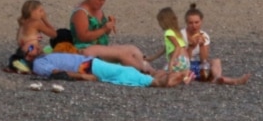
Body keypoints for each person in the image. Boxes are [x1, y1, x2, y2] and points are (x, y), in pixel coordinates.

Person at [69, 0, 155, 75]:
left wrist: (109, 26)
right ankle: (145, 72)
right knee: (123, 54)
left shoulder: (98, 10)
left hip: (101, 46)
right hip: (85, 48)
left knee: (132, 49)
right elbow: (83, 37)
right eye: (100, 0)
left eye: (104, 0)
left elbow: (104, 33)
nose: (102, 3)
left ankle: (151, 70)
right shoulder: (81, 13)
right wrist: (104, 29)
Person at [24, 46, 190, 87]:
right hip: (86, 67)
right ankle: (157, 82)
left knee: (121, 71)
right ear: (27, 57)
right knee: (120, 72)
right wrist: (83, 76)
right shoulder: (39, 64)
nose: (35, 47)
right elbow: (56, 73)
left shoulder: (44, 56)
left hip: (89, 63)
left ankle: (157, 78)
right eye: (30, 48)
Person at [182, 3, 251, 85]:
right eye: (191, 23)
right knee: (196, 71)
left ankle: (218, 78)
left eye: (197, 22)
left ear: (201, 21)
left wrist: (201, 46)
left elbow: (204, 60)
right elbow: (182, 60)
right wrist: (191, 47)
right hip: (182, 67)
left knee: (216, 61)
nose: (194, 26)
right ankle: (231, 81)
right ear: (186, 23)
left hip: (195, 66)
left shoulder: (204, 36)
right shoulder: (181, 36)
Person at [151, 6, 190, 73]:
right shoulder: (176, 32)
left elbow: (178, 47)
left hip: (178, 60)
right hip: (186, 61)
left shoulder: (168, 33)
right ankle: (185, 75)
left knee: (161, 73)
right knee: (173, 73)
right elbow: (165, 49)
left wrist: (171, 61)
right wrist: (151, 58)